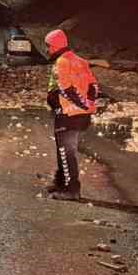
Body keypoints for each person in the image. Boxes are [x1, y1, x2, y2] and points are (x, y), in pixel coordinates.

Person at [44, 29, 99, 200]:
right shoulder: (80, 61)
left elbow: (65, 89)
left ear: (55, 45)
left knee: (67, 152)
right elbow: (94, 86)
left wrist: (80, 105)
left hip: (69, 114)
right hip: (79, 114)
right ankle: (61, 183)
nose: (47, 50)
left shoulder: (62, 62)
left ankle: (71, 190)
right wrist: (89, 104)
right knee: (64, 150)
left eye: (48, 46)